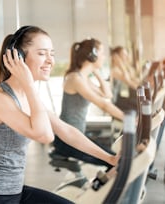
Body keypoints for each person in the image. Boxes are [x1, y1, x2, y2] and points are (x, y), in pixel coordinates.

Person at [0, 26, 119, 204]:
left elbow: (66, 131)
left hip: (15, 191)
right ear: (19, 58)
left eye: (52, 54)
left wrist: (110, 158)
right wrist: (28, 83)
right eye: (42, 53)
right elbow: (45, 135)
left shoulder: (26, 96)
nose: (50, 61)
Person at [53, 38, 124, 168]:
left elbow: (107, 94)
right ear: (93, 56)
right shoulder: (75, 79)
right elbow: (104, 104)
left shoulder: (83, 77)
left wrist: (96, 70)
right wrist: (131, 120)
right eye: (101, 54)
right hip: (67, 140)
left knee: (117, 158)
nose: (103, 57)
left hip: (77, 136)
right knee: (116, 162)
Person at [110, 46, 141, 111]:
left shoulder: (119, 69)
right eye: (124, 54)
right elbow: (128, 82)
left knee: (138, 102)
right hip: (115, 101)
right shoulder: (115, 70)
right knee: (138, 105)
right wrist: (120, 63)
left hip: (119, 98)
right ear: (116, 57)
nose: (126, 57)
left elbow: (133, 79)